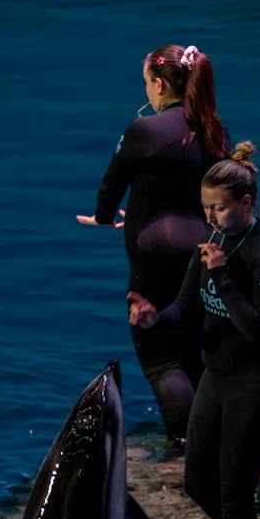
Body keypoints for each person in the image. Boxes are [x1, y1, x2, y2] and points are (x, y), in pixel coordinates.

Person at [126, 143, 260, 519]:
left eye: (219, 208)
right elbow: (185, 308)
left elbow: (258, 330)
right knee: (199, 484)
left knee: (235, 496)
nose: (210, 218)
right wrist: (153, 320)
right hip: (217, 378)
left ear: (246, 202)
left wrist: (221, 275)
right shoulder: (214, 242)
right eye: (205, 208)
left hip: (259, 382)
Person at [79, 44, 229, 444]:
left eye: (147, 82)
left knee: (161, 356)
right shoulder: (214, 127)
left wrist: (105, 217)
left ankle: (186, 444)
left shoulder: (145, 130)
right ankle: (211, 433)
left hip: (157, 253)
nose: (146, 90)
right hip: (203, 245)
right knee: (194, 344)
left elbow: (112, 183)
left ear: (160, 85)